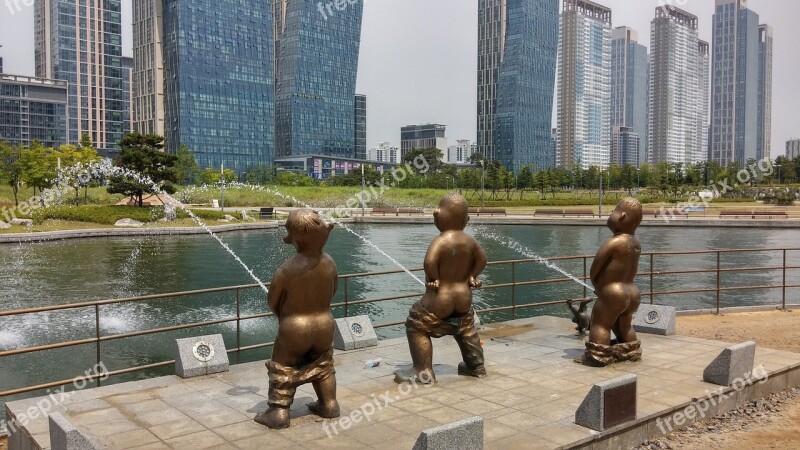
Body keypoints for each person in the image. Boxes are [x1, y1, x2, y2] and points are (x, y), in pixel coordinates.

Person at [254, 209, 340, 428]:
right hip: (324, 323)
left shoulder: (286, 269)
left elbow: (273, 301)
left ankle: (278, 413)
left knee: (282, 367)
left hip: (294, 327)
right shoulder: (330, 262)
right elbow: (333, 290)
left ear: (291, 238)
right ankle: (329, 404)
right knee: (324, 364)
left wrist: (286, 318)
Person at [395, 194, 487, 383]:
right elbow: (482, 259)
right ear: (466, 219)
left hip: (440, 298)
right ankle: (475, 366)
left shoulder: (442, 240)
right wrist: (472, 276)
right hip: (463, 297)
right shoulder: (470, 241)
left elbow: (429, 261)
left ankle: (424, 371)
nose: (435, 211)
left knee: (416, 325)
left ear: (441, 216)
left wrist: (434, 279)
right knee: (466, 327)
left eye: (439, 209)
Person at [581, 197, 643, 366]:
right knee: (625, 326)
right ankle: (630, 351)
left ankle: (598, 355)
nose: (610, 215)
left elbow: (596, 267)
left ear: (621, 216)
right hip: (633, 292)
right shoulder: (636, 243)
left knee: (600, 324)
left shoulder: (614, 242)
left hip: (612, 291)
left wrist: (597, 286)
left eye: (613, 212)